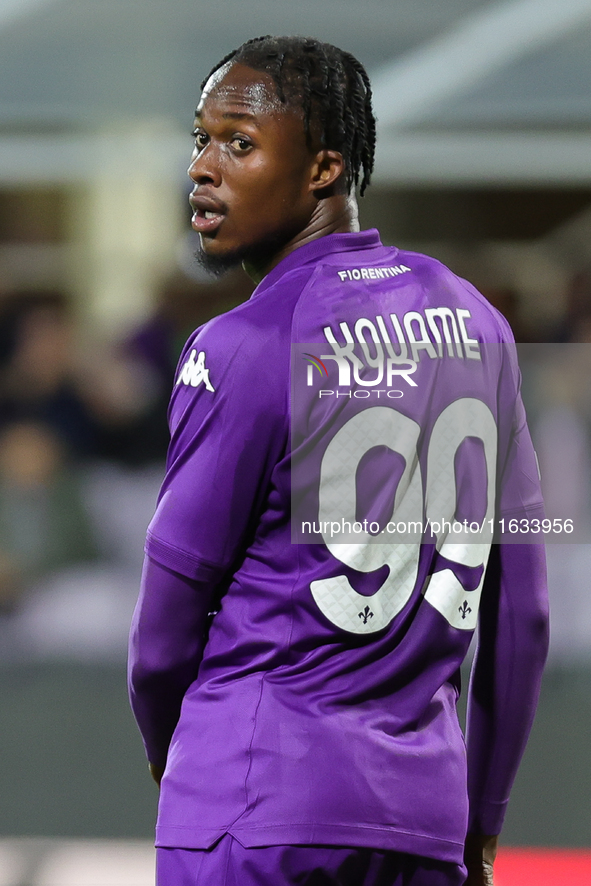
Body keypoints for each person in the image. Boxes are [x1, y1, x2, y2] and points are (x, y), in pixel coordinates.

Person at [128, 36, 549, 886]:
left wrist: (175, 758)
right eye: (200, 141)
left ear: (324, 169)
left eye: (238, 144)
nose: (202, 169)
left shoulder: (243, 345)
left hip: (252, 805)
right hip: (423, 821)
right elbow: (523, 612)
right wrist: (484, 810)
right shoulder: (480, 326)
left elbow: (164, 631)